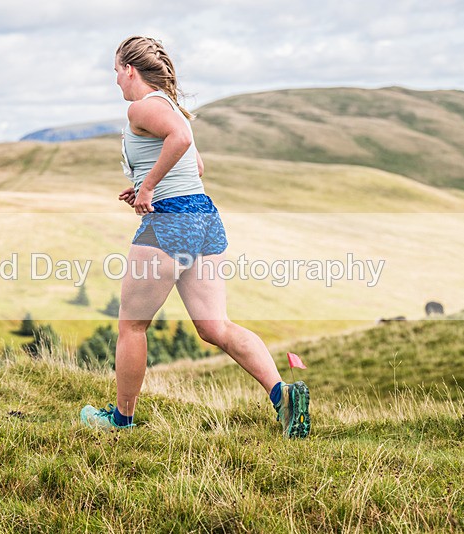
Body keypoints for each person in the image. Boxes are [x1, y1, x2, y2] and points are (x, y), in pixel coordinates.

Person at [80, 36, 310, 439]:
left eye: (116, 70)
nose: (114, 78)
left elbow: (182, 143)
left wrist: (149, 187)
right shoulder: (170, 107)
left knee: (132, 326)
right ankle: (283, 395)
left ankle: (120, 422)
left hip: (170, 222)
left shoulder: (142, 106)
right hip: (204, 219)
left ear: (129, 70)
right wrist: (146, 182)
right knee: (214, 326)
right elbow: (196, 167)